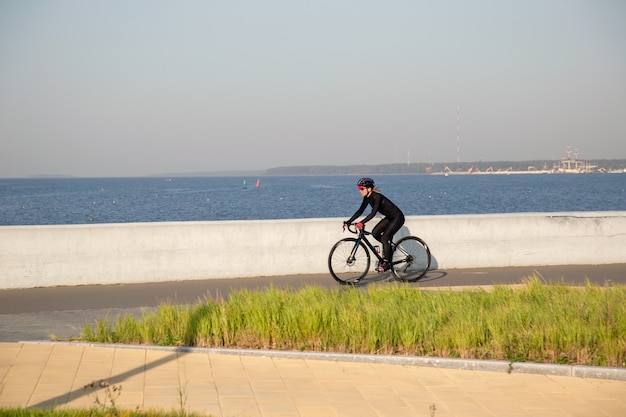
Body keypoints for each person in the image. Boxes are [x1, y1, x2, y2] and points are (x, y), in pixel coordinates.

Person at [344, 177, 405, 272]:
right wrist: (348, 221)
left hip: (398, 217)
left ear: (369, 189)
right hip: (389, 217)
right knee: (375, 233)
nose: (360, 191)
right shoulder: (367, 198)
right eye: (359, 189)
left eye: (362, 189)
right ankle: (388, 247)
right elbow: (360, 211)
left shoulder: (377, 197)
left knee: (385, 238)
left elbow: (373, 213)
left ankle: (386, 262)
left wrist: (361, 222)